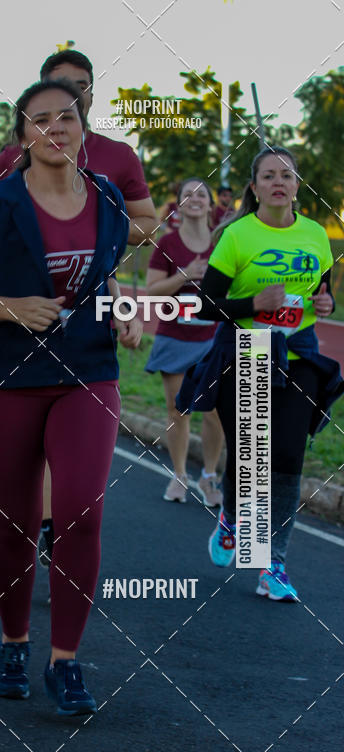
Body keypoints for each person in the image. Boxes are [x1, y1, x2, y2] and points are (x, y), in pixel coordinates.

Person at [0, 79, 140, 715]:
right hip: (9, 379)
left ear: (84, 127)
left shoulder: (108, 197)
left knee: (81, 511)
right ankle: (12, 642)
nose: (56, 129)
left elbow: (105, 274)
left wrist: (127, 307)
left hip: (89, 371)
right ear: (22, 135)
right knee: (16, 521)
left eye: (68, 117)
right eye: (41, 120)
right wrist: (5, 308)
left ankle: (66, 661)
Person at [0, 48, 158, 569]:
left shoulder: (118, 156)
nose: (71, 92)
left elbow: (148, 224)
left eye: (80, 85)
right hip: (28, 311)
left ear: (91, 93)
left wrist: (92, 227)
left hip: (91, 306)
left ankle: (64, 522)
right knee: (34, 434)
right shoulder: (11, 156)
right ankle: (44, 525)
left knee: (77, 427)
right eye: (59, 84)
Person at [176, 147, 342, 601]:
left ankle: (272, 565)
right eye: (268, 175)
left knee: (287, 457)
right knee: (251, 457)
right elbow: (206, 305)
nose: (278, 182)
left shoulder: (314, 234)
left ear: (296, 185)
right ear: (255, 187)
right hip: (246, 348)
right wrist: (254, 306)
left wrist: (324, 303)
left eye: (286, 175)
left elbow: (323, 290)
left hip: (300, 352)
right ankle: (232, 514)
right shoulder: (237, 235)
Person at [145, 177, 224, 505]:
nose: (195, 199)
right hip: (176, 336)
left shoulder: (223, 241)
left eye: (202, 194)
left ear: (210, 203)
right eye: (188, 194)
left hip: (213, 336)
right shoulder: (168, 244)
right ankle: (179, 475)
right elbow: (151, 290)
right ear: (179, 204)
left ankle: (209, 477)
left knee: (216, 412)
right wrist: (185, 274)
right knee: (178, 410)